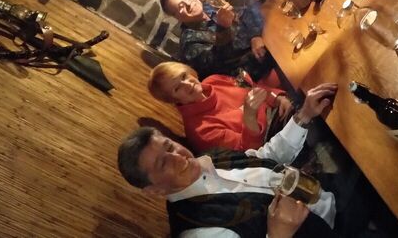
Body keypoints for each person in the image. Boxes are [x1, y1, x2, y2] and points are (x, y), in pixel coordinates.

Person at [118, 83, 345, 237]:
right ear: (154, 190)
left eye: (169, 146)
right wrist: (279, 234)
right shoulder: (198, 231)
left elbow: (265, 157)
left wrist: (304, 115)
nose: (177, 156)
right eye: (162, 163)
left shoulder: (211, 157)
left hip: (328, 195)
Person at [148, 61, 293, 152]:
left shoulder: (213, 80)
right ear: (172, 99)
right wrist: (249, 116)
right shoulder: (201, 131)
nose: (187, 84)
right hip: (274, 138)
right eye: (177, 88)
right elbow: (249, 151)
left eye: (184, 76)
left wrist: (278, 98)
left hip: (279, 109)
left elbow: (254, 88)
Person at [160, 0, 278, 84]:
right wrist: (223, 28)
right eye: (180, 6)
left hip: (266, 50)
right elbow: (218, 64)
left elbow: (243, 15)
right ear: (176, 17)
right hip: (254, 77)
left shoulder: (209, 8)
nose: (188, 3)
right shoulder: (189, 45)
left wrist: (255, 36)